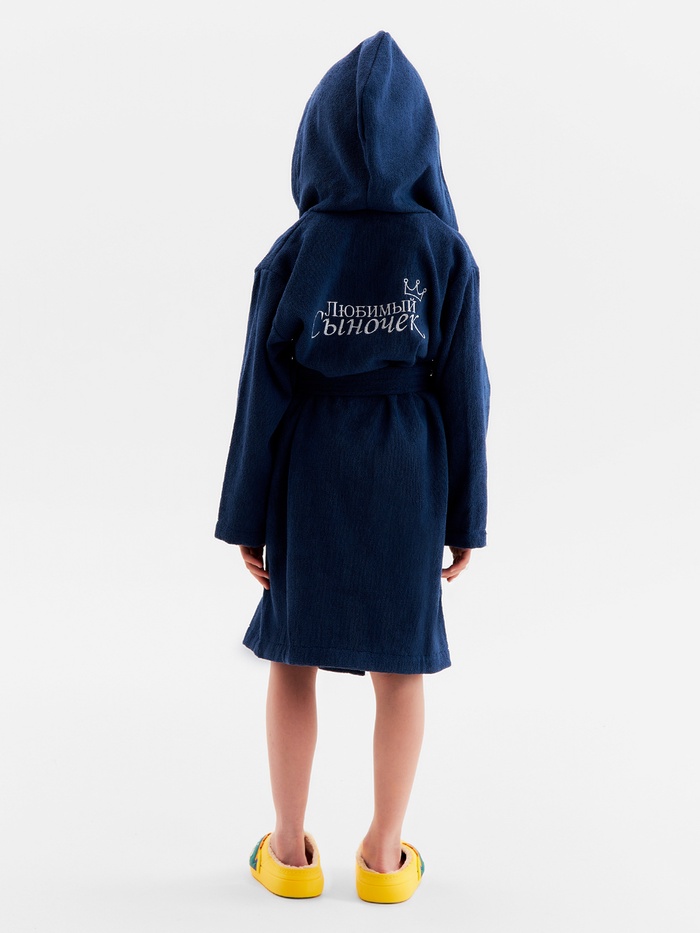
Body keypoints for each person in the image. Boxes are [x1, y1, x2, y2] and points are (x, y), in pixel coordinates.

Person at [214, 30, 490, 904]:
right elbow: (467, 393)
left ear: (316, 139)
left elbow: (260, 394)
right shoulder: (445, 252)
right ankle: (384, 857)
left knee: (292, 656)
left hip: (311, 466)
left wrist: (248, 515)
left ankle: (289, 850)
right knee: (400, 667)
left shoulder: (295, 252)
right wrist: (466, 517)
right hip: (410, 468)